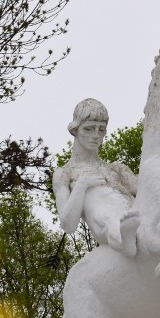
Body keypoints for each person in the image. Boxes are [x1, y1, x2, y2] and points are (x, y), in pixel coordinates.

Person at [52, 99, 139, 257]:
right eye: (89, 129)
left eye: (101, 130)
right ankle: (120, 237)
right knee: (109, 218)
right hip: (108, 225)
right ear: (75, 130)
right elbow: (68, 224)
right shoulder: (65, 173)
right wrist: (81, 186)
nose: (95, 136)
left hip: (137, 219)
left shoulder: (117, 169)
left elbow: (146, 192)